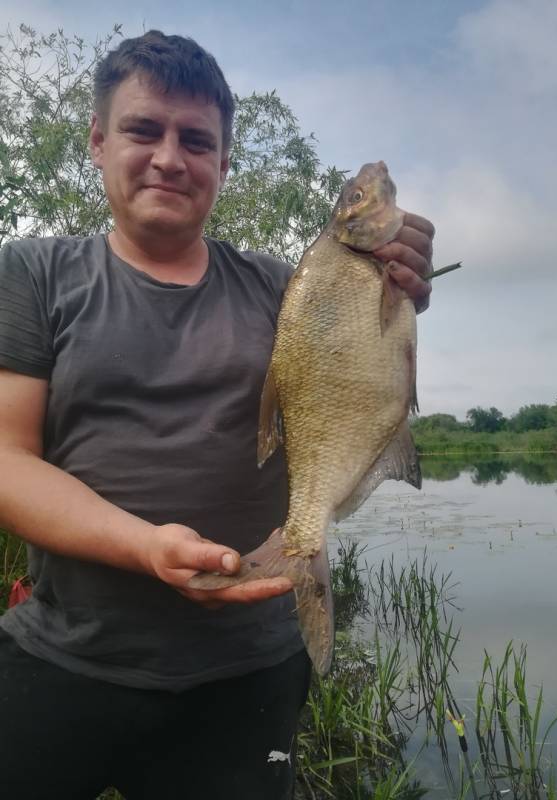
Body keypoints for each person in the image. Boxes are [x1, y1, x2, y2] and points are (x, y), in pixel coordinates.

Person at [0, 30, 435, 800]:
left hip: (249, 669)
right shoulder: (34, 272)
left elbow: (362, 372)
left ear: (224, 164)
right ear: (97, 143)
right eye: (144, 130)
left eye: (197, 140)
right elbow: (7, 458)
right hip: (64, 655)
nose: (171, 156)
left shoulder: (288, 286)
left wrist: (396, 288)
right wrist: (145, 547)